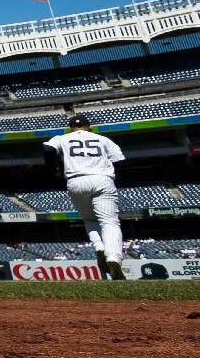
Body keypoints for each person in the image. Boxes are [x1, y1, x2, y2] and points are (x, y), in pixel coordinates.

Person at [43, 114, 126, 280]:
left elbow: (48, 149)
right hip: (102, 179)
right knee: (109, 221)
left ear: (70, 127)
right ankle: (113, 257)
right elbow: (119, 161)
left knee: (89, 219)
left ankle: (99, 245)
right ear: (89, 126)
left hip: (76, 181)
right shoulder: (103, 139)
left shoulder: (61, 138)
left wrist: (54, 170)